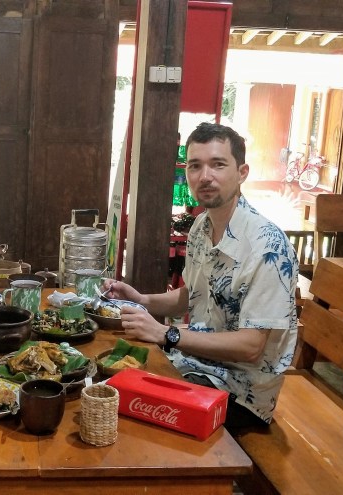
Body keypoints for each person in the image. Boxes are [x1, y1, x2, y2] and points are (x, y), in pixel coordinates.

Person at [106, 122, 298, 432]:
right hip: (194, 362)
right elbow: (191, 295)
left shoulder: (267, 247)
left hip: (240, 391)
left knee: (134, 418)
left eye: (218, 164)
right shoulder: (201, 227)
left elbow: (251, 346)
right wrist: (142, 300)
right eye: (195, 166)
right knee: (109, 377)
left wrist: (167, 335)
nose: (204, 176)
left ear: (242, 172)